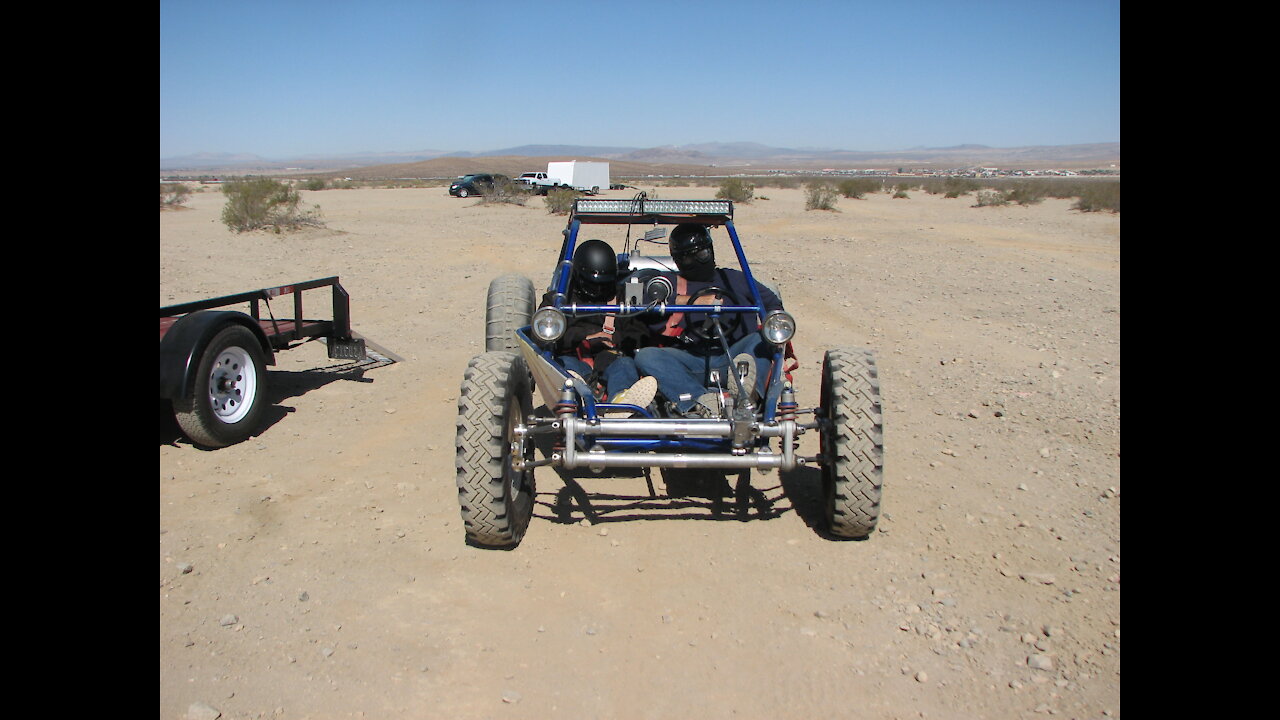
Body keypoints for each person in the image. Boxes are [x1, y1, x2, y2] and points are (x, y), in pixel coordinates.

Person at [634, 223, 783, 418]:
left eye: (702, 253)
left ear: (711, 250)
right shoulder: (669, 282)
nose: (697, 261)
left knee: (763, 338)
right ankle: (701, 402)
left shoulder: (734, 279)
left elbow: (773, 305)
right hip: (691, 359)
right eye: (688, 257)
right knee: (646, 356)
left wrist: (775, 327)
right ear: (678, 260)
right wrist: (689, 301)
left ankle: (747, 398)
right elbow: (635, 299)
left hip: (738, 355)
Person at [540, 238, 657, 410]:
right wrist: (586, 337)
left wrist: (614, 337)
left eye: (605, 283)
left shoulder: (626, 295)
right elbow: (543, 334)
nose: (600, 289)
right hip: (574, 356)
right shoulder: (559, 298)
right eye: (594, 284)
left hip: (612, 355)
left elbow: (640, 332)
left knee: (625, 365)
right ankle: (583, 397)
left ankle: (621, 404)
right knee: (567, 368)